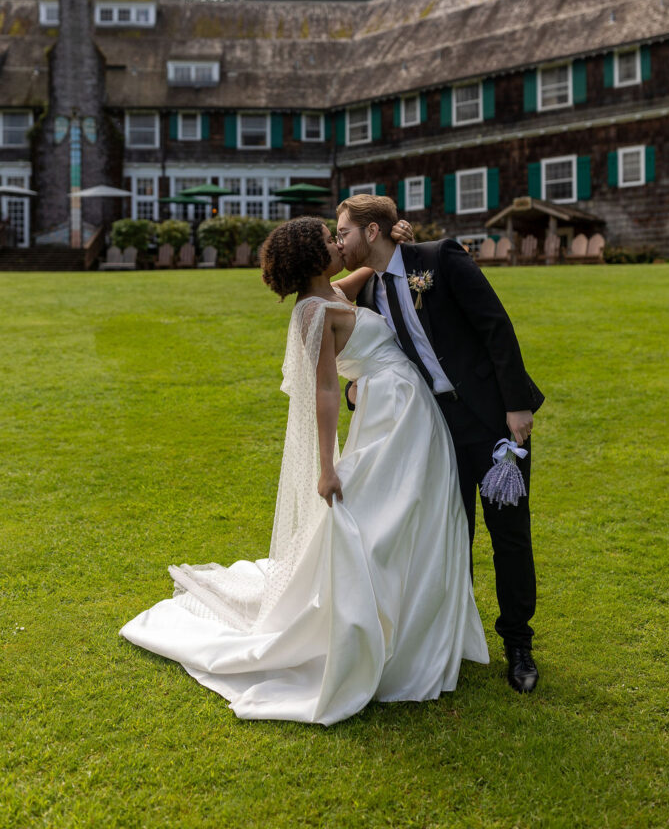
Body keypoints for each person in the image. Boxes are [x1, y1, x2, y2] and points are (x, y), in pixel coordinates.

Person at [119, 216, 488, 725]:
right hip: (391, 417)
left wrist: (396, 242)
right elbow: (324, 392)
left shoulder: (336, 289)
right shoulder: (314, 313)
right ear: (313, 259)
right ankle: (380, 631)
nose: (339, 243)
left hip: (407, 411)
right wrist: (326, 465)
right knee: (386, 518)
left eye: (338, 236)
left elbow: (374, 272)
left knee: (419, 513)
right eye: (330, 240)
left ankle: (419, 624)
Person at [336, 194, 544, 693]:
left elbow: (495, 325)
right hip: (433, 432)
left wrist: (516, 405)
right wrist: (351, 388)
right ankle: (453, 637)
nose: (339, 240)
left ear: (372, 230)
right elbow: (373, 353)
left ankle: (518, 645)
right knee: (453, 536)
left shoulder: (438, 258)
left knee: (509, 535)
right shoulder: (368, 293)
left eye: (343, 231)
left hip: (493, 423)